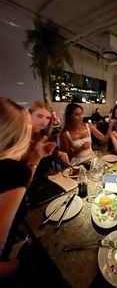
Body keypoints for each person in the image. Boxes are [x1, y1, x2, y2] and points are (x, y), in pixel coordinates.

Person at [0, 97, 55, 279]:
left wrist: (37, 157)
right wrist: (20, 263)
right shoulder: (11, 170)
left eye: (48, 118)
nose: (42, 122)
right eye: (38, 116)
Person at [26, 101, 70, 175]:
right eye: (39, 116)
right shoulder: (20, 137)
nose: (44, 122)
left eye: (48, 118)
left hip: (44, 176)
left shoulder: (43, 134)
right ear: (29, 115)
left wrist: (58, 153)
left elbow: (46, 153)